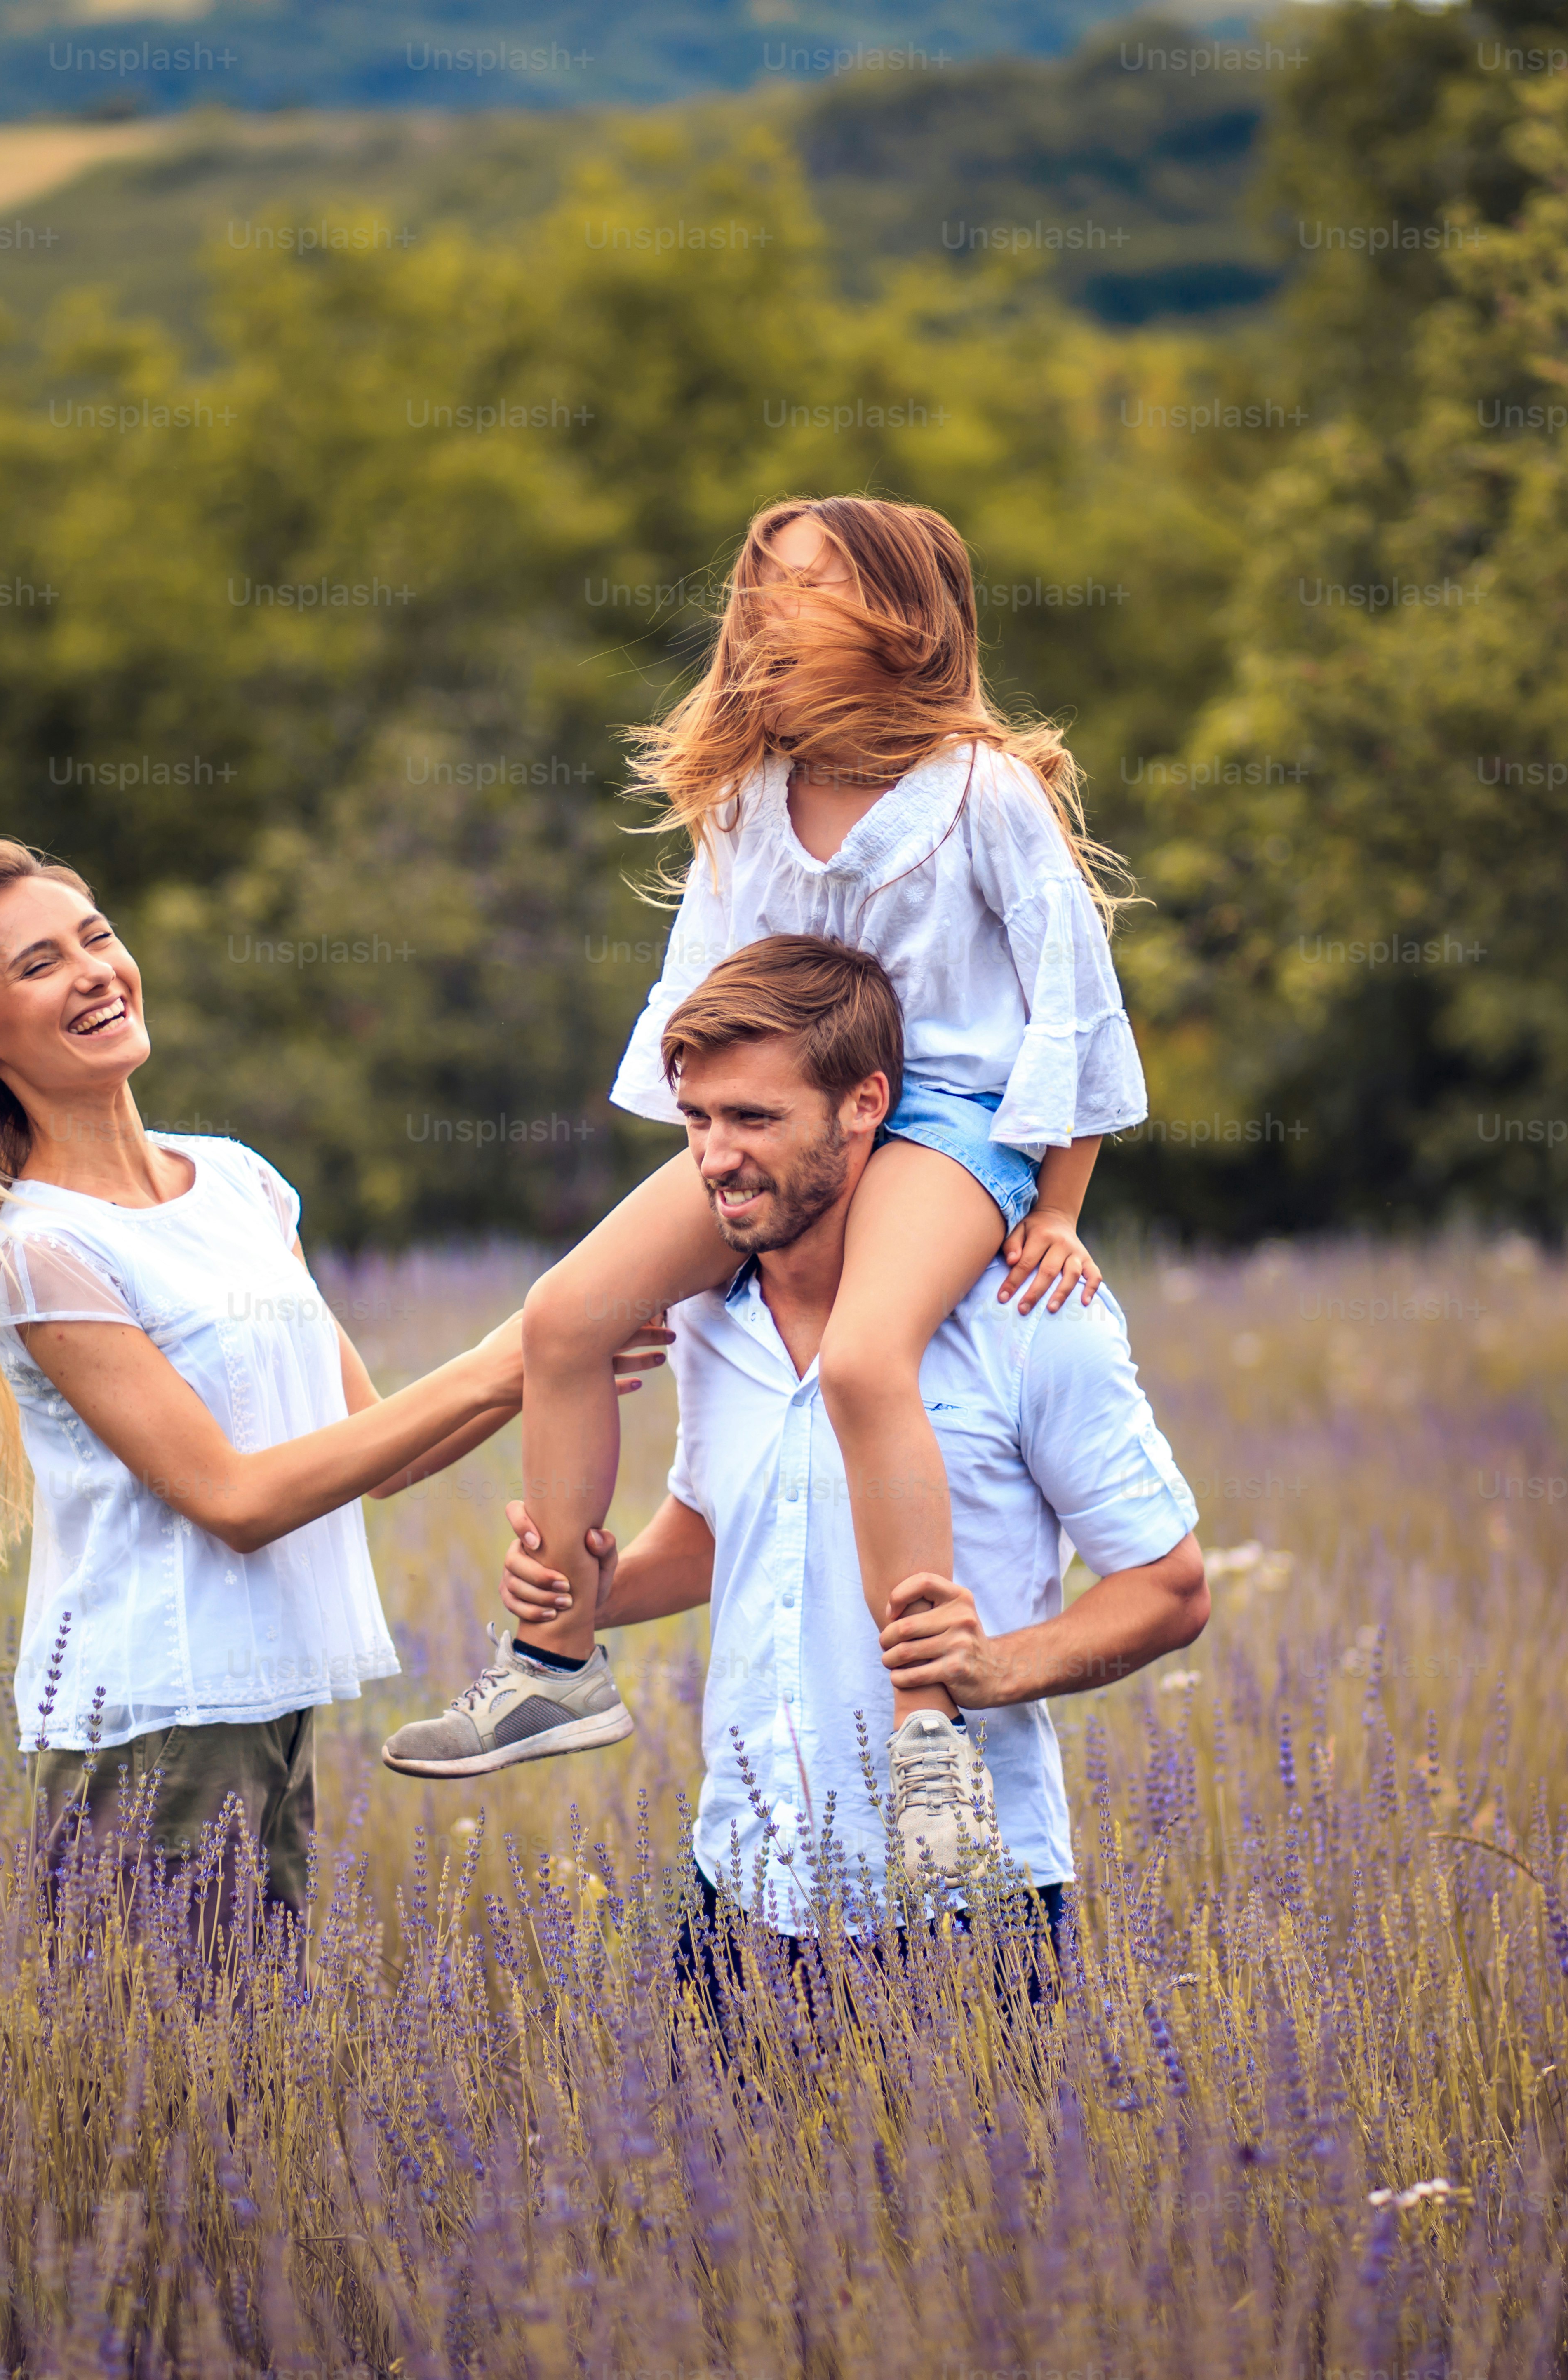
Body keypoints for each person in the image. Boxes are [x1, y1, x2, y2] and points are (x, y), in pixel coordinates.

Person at [385, 498, 1151, 1898]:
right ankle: (553, 1666)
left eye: (814, 586)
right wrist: (697, 1180)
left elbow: (1072, 1000)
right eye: (764, 587)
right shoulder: (751, 793)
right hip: (782, 1116)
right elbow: (701, 992)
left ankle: (930, 1745)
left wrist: (1056, 1201)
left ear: (904, 617)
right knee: (561, 1318)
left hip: (951, 1123)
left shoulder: (982, 789)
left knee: (868, 1358)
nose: (773, 611)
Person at [0, 839, 661, 1935]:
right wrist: (509, 1356)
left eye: (97, 937)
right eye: (39, 965)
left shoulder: (235, 1180)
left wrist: (547, 1359)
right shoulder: (42, 1249)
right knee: (167, 2082)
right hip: (156, 1721)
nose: (94, 971)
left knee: (245, 2066)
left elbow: (378, 1450)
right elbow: (236, 1502)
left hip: (272, 1699)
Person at [486, 936, 1206, 1999]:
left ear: (867, 1104)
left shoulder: (1033, 1315)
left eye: (754, 1120)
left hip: (968, 1906)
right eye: (698, 1121)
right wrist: (599, 1592)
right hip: (743, 1889)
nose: (714, 1158)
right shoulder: (708, 1319)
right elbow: (717, 1532)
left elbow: (1171, 1588)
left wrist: (997, 1669)